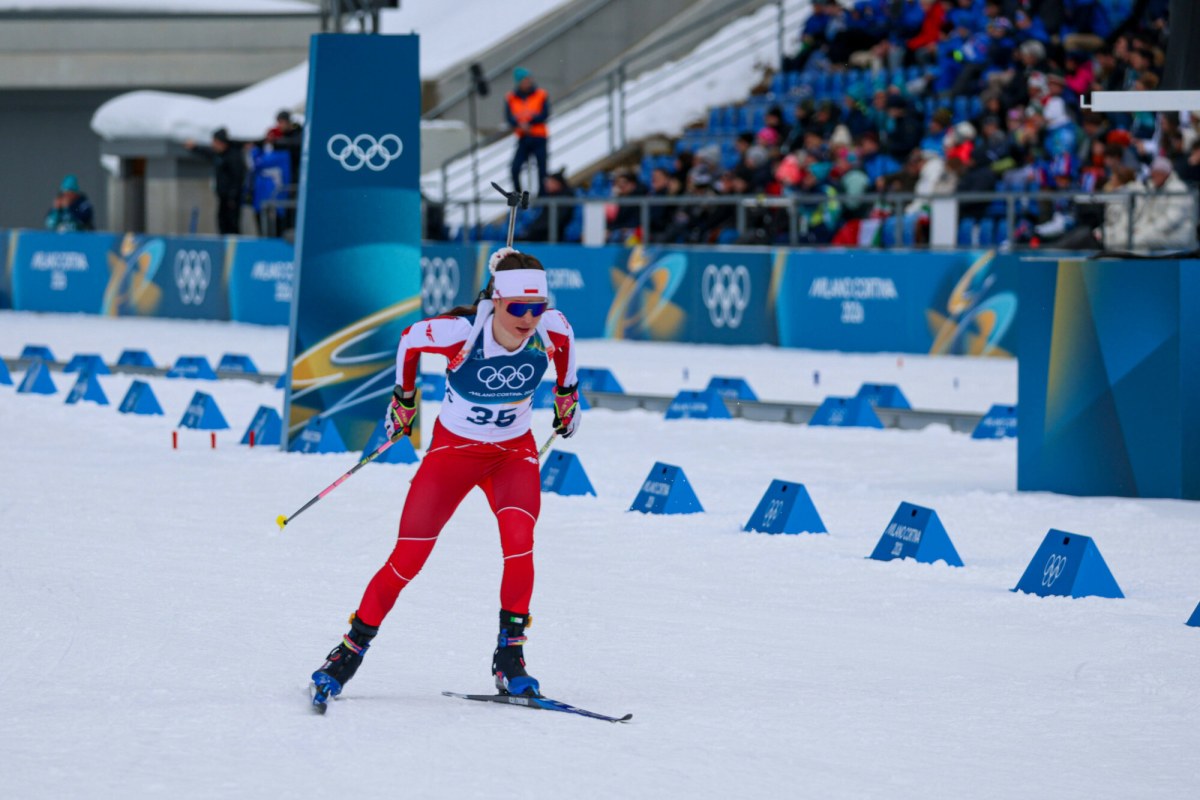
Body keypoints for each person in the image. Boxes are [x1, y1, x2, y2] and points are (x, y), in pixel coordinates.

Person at [311, 248, 581, 702]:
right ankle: (346, 655)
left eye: (537, 308)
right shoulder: (461, 332)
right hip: (453, 454)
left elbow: (568, 349)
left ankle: (510, 659)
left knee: (520, 541)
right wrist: (404, 399)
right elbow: (409, 339)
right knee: (407, 559)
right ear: (496, 300)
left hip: (511, 454)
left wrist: (567, 395)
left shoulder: (552, 328)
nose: (528, 319)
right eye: (518, 307)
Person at [184, 127, 246, 235]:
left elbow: (237, 178)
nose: (213, 145)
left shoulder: (233, 156)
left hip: (232, 198)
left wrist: (232, 196)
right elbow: (207, 152)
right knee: (222, 222)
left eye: (215, 142)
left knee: (232, 224)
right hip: (222, 196)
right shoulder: (218, 154)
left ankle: (233, 243)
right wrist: (194, 147)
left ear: (222, 143)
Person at [506, 67, 550, 194]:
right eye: (524, 80)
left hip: (539, 137)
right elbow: (509, 117)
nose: (527, 82)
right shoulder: (511, 97)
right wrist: (520, 124)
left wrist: (530, 122)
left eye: (528, 79)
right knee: (515, 168)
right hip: (523, 137)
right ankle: (519, 196)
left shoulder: (541, 94)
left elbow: (545, 113)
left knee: (542, 169)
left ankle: (543, 197)